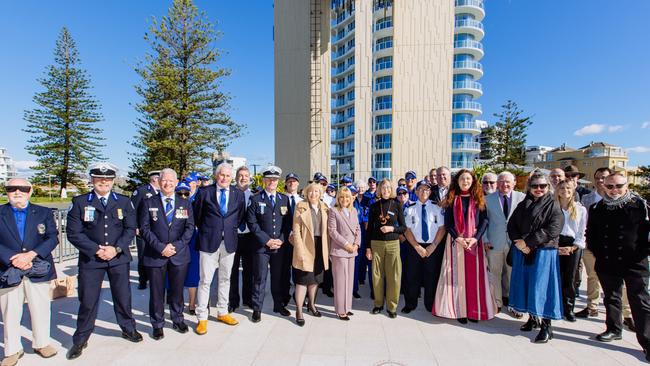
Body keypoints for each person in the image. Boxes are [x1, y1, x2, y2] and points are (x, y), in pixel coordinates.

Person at [66, 163, 142, 360]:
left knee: (123, 297)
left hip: (118, 258)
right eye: (99, 179)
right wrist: (96, 249)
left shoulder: (124, 202)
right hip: (92, 259)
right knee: (88, 300)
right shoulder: (80, 202)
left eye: (107, 179)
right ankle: (80, 339)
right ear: (92, 180)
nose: (104, 182)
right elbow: (74, 233)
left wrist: (115, 249)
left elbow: (130, 229)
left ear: (113, 181)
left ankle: (128, 328)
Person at [586, 173, 650, 362]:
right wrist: (598, 252)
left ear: (627, 185)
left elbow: (647, 236)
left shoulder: (640, 206)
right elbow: (591, 234)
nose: (614, 190)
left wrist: (640, 255)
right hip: (607, 261)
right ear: (603, 186)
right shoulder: (597, 208)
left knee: (640, 302)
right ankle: (614, 328)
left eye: (618, 186)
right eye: (610, 186)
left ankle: (647, 341)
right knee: (611, 298)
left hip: (634, 263)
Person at [0, 178, 58, 365]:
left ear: (30, 191)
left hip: (38, 267)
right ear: (6, 191)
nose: (17, 192)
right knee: (10, 311)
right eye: (12, 188)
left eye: (22, 188)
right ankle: (12, 350)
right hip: (8, 268)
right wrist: (13, 257)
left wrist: (31, 255)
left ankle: (42, 343)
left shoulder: (43, 212)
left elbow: (52, 238)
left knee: (40, 308)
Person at [507, 171, 564, 343]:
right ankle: (532, 319)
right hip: (523, 251)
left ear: (548, 187)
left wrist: (528, 243)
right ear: (529, 187)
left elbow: (553, 229)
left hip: (544, 252)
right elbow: (512, 224)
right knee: (527, 286)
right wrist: (518, 242)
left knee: (542, 288)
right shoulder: (524, 204)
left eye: (542, 186)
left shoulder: (553, 205)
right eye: (535, 186)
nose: (538, 189)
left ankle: (546, 326)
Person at [138, 168, 194, 339]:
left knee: (177, 291)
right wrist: (161, 247)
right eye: (164, 180)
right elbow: (145, 229)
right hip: (156, 254)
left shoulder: (185, 203)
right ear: (158, 181)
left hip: (179, 254)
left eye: (171, 180)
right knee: (156, 292)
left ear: (177, 183)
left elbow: (190, 228)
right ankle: (157, 323)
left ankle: (177, 319)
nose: (167, 183)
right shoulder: (148, 202)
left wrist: (175, 246)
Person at [433, 169, 495, 323]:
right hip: (455, 242)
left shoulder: (478, 198)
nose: (465, 181)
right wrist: (458, 238)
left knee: (474, 278)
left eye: (468, 179)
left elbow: (485, 221)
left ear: (473, 181)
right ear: (457, 181)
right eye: (462, 179)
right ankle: (459, 310)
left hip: (475, 243)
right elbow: (448, 223)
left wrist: (475, 238)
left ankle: (474, 310)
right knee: (456, 278)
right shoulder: (452, 198)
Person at [192, 163, 246, 334]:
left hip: (229, 243)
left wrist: (227, 230)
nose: (224, 178)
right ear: (216, 176)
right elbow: (197, 216)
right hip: (208, 242)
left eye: (228, 176)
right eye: (222, 175)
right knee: (205, 281)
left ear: (232, 178)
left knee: (225, 279)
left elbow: (240, 216)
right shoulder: (204, 192)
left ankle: (222, 311)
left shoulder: (238, 194)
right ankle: (202, 317)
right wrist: (211, 230)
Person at [247, 166, 293, 322]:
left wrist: (280, 239)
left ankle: (278, 305)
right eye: (269, 179)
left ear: (278, 181)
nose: (272, 182)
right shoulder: (255, 199)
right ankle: (257, 308)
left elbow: (288, 224)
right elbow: (252, 223)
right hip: (261, 247)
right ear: (264, 181)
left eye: (274, 179)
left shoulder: (284, 199)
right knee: (260, 278)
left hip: (279, 246)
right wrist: (267, 240)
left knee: (278, 277)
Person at [483, 171, 525, 316]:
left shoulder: (522, 198)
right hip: (494, 242)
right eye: (500, 181)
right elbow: (483, 222)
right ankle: (496, 303)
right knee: (494, 273)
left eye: (507, 181)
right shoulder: (487, 199)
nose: (504, 184)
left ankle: (514, 304)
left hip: (515, 244)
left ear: (514, 183)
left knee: (513, 274)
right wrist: (485, 240)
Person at [402, 180, 446, 313]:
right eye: (420, 189)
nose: (423, 192)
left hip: (433, 245)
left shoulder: (437, 208)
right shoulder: (409, 209)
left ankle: (430, 304)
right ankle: (410, 304)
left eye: (426, 189)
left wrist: (433, 246)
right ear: (416, 192)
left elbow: (442, 228)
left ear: (430, 192)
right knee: (412, 276)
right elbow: (407, 230)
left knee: (431, 276)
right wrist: (417, 247)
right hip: (414, 246)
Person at [366, 178, 406, 318]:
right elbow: (369, 228)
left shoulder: (397, 205)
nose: (386, 190)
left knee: (394, 276)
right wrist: (368, 248)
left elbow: (403, 227)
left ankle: (392, 307)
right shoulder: (374, 206)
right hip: (376, 244)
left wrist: (391, 228)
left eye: (388, 187)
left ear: (392, 189)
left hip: (393, 245)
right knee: (377, 276)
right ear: (379, 189)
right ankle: (378, 304)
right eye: (383, 188)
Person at [290, 183, 329, 326]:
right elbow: (296, 229)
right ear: (307, 193)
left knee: (315, 280)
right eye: (311, 191)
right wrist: (299, 250)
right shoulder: (300, 206)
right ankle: (299, 311)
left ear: (320, 193)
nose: (314, 194)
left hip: (321, 246)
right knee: (302, 281)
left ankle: (311, 305)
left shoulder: (325, 207)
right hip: (305, 246)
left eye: (317, 191)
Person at [554, 180, 587, 322]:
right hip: (555, 244)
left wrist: (573, 247)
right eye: (561, 187)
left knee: (570, 278)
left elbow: (582, 231)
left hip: (573, 245)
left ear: (573, 190)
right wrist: (556, 247)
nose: (565, 190)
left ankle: (568, 309)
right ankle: (555, 307)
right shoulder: (553, 207)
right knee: (555, 277)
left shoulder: (580, 209)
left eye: (568, 188)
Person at [328, 186, 361, 320]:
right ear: (338, 198)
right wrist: (347, 245)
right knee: (340, 281)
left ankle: (347, 307)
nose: (344, 199)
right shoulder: (334, 211)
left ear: (351, 198)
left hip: (352, 251)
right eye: (342, 197)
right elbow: (332, 231)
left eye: (347, 197)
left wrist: (356, 244)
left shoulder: (353, 211)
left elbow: (358, 229)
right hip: (340, 250)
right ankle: (340, 310)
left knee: (349, 281)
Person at [229, 166, 255, 312]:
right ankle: (233, 301)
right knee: (232, 271)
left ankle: (248, 299)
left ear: (249, 178)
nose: (243, 178)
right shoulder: (230, 194)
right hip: (233, 236)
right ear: (236, 177)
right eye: (240, 175)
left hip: (250, 237)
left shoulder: (255, 196)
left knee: (249, 270)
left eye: (246, 175)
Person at [130, 170, 160, 290]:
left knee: (155, 255)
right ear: (154, 179)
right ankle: (142, 280)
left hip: (156, 230)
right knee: (142, 255)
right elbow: (132, 210)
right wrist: (135, 226)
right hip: (142, 229)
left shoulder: (161, 191)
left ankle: (153, 278)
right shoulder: (142, 191)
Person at [181, 174, 200, 315]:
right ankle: (177, 301)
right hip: (180, 239)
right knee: (178, 271)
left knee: (193, 272)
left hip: (195, 239)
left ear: (196, 183)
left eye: (191, 182)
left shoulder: (201, 196)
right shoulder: (180, 195)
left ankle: (192, 303)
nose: (188, 185)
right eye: (186, 182)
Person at [351, 183, 367, 298]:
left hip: (363, 231)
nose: (360, 190)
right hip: (351, 232)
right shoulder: (351, 201)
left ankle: (354, 288)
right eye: (358, 188)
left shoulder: (368, 200)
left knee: (359, 260)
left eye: (362, 187)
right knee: (352, 262)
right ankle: (350, 288)